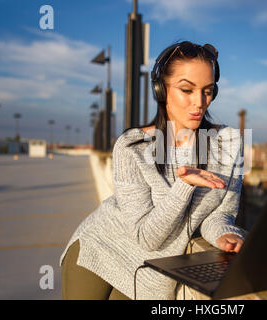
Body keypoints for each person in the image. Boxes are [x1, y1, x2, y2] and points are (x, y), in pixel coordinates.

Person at [59, 40, 246, 300]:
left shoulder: (229, 143)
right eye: (186, 90)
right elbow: (148, 238)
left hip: (150, 271)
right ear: (161, 90)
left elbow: (221, 212)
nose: (199, 102)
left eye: (207, 90)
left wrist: (225, 234)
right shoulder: (132, 145)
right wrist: (185, 185)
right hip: (101, 247)